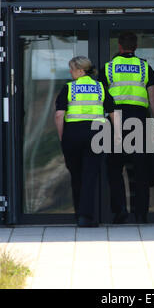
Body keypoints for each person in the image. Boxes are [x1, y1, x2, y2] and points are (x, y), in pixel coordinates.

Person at [100, 31, 154, 224]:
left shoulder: (108, 68)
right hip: (139, 120)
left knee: (115, 168)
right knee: (141, 167)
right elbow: (153, 98)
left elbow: (100, 98)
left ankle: (119, 212)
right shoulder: (144, 67)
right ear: (135, 47)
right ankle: (141, 213)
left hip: (114, 120)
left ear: (119, 46)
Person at [55, 56, 118, 227]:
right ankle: (86, 217)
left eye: (72, 69)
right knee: (90, 176)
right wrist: (116, 135)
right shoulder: (100, 87)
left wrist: (62, 136)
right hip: (97, 135)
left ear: (81, 71)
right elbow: (113, 113)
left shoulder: (68, 88)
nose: (70, 72)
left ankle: (79, 214)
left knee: (76, 176)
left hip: (73, 134)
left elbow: (60, 115)